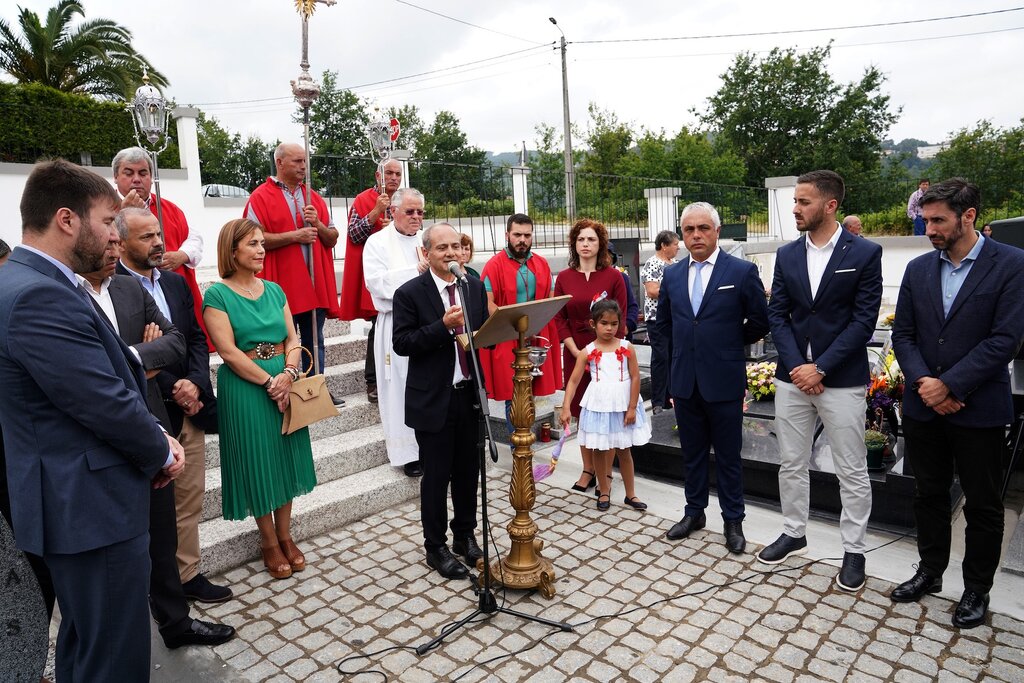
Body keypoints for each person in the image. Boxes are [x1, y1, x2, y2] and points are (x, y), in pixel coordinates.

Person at [0, 159, 184, 681]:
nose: (115, 235)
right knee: (114, 659)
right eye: (108, 221)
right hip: (88, 507)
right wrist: (160, 447)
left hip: (74, 503)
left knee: (88, 647)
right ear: (66, 219)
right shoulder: (38, 294)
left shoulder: (27, 280)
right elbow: (99, 398)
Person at [80, 228, 234, 648]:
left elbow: (180, 341)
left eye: (116, 240)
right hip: (111, 434)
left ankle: (175, 622)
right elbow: (89, 372)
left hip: (164, 421)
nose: (113, 248)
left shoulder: (131, 289)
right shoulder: (67, 293)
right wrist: (140, 361)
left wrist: (191, 382)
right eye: (110, 239)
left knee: (165, 529)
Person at [890, 178, 1024, 629]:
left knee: (983, 505)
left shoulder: (1012, 265)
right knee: (928, 494)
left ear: (969, 216)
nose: (928, 229)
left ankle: (976, 589)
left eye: (938, 220)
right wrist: (927, 384)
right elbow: (903, 335)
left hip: (978, 407)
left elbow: (1004, 339)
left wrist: (950, 386)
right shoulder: (918, 269)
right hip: (924, 406)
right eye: (926, 219)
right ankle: (929, 571)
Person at [758, 170, 883, 594]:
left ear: (830, 205)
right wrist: (797, 366)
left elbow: (863, 321)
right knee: (791, 461)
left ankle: (854, 550)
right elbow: (778, 314)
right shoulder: (787, 254)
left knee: (851, 467)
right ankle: (794, 532)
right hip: (793, 378)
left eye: (804, 201)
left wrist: (822, 368)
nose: (795, 208)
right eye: (794, 201)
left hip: (841, 379)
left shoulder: (864, 253)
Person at [114, 208, 230, 604]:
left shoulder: (178, 284)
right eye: (146, 237)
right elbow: (129, 356)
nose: (159, 243)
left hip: (189, 407)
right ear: (122, 241)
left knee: (189, 498)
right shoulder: (111, 290)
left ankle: (187, 575)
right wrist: (168, 380)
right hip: (148, 411)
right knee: (155, 510)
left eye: (158, 234)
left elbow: (193, 338)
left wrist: (194, 383)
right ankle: (157, 586)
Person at [203, 219, 317, 580]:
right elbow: (228, 352)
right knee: (257, 462)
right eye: (252, 244)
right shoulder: (217, 295)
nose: (260, 250)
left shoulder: (275, 290)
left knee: (285, 459)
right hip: (245, 386)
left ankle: (286, 534)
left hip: (284, 378)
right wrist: (271, 382)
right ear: (232, 250)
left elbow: (293, 338)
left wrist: (289, 374)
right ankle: (267, 540)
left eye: (261, 244)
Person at [658, 203, 769, 553]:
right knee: (691, 452)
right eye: (688, 230)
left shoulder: (741, 271)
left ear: (717, 231)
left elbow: (760, 321)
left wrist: (728, 345)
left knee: (728, 454)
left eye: (703, 228)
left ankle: (733, 520)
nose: (695, 235)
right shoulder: (673, 274)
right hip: (686, 381)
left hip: (723, 378)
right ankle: (694, 512)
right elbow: (665, 326)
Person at [392, 223, 489, 579]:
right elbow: (402, 343)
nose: (451, 253)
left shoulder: (473, 286)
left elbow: (480, 335)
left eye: (456, 246)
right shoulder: (410, 293)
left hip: (468, 394)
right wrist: (442, 326)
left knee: (468, 471)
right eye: (442, 248)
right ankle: (435, 546)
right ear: (427, 253)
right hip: (433, 399)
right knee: (436, 476)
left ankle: (464, 535)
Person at [244, 143, 342, 402]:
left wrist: (317, 224)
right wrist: (294, 236)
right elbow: (252, 238)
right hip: (280, 283)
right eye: (297, 161)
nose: (303, 166)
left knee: (314, 338)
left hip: (314, 283)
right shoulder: (260, 197)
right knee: (284, 341)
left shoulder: (313, 197)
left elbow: (332, 238)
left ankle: (317, 391)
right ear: (280, 163)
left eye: (305, 161)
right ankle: (288, 391)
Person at [553, 219, 630, 498]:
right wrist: (575, 350)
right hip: (575, 352)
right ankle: (587, 469)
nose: (586, 244)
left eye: (591, 240)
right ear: (574, 244)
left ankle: (605, 474)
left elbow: (620, 319)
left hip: (607, 356)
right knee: (583, 415)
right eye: (581, 239)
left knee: (605, 414)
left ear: (601, 245)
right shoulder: (563, 277)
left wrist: (604, 350)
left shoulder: (613, 277)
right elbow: (559, 317)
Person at [112, 146, 209, 347]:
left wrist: (181, 255)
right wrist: (122, 212)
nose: (136, 179)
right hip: (129, 296)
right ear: (115, 177)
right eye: (128, 173)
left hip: (170, 291)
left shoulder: (169, 208)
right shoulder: (107, 209)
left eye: (143, 173)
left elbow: (194, 238)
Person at [560, 300, 651, 512]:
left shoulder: (627, 347)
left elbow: (635, 377)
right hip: (599, 406)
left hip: (622, 405)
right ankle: (603, 490)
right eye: (604, 323)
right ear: (593, 324)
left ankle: (631, 494)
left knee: (624, 450)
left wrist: (631, 407)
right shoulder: (587, 351)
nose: (609, 328)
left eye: (614, 323)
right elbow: (573, 381)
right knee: (599, 450)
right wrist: (566, 407)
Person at [363, 188, 429, 477]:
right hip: (397, 323)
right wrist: (416, 270)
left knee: (427, 384)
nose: (416, 218)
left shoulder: (428, 241)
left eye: (420, 212)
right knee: (400, 389)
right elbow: (377, 284)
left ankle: (429, 445)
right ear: (393, 212)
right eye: (410, 212)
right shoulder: (377, 243)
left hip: (428, 323)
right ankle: (407, 453)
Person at [479, 213, 562, 433]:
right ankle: (519, 445)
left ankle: (526, 441)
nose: (522, 240)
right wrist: (511, 328)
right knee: (513, 394)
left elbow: (550, 299)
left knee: (531, 390)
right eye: (517, 235)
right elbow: (488, 303)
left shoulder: (542, 264)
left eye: (526, 235)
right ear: (507, 235)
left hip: (536, 335)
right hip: (508, 337)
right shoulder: (493, 265)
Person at [342, 158, 403, 404]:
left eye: (398, 173)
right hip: (376, 273)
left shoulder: (405, 200)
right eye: (389, 172)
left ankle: (396, 377)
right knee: (379, 325)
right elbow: (354, 235)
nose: (394, 178)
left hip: (400, 271)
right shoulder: (363, 199)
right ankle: (373, 381)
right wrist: (376, 212)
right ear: (378, 175)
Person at [640, 229, 681, 414]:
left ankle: (671, 398)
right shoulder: (652, 263)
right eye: (675, 244)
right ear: (664, 246)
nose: (678, 248)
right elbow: (652, 290)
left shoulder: (676, 264)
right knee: (661, 358)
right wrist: (676, 292)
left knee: (674, 358)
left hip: (675, 318)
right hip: (657, 318)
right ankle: (658, 401)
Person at [607, 242, 640, 340]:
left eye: (606, 255)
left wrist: (626, 326)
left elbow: (632, 306)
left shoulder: (622, 277)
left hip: (620, 337)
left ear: (612, 258)